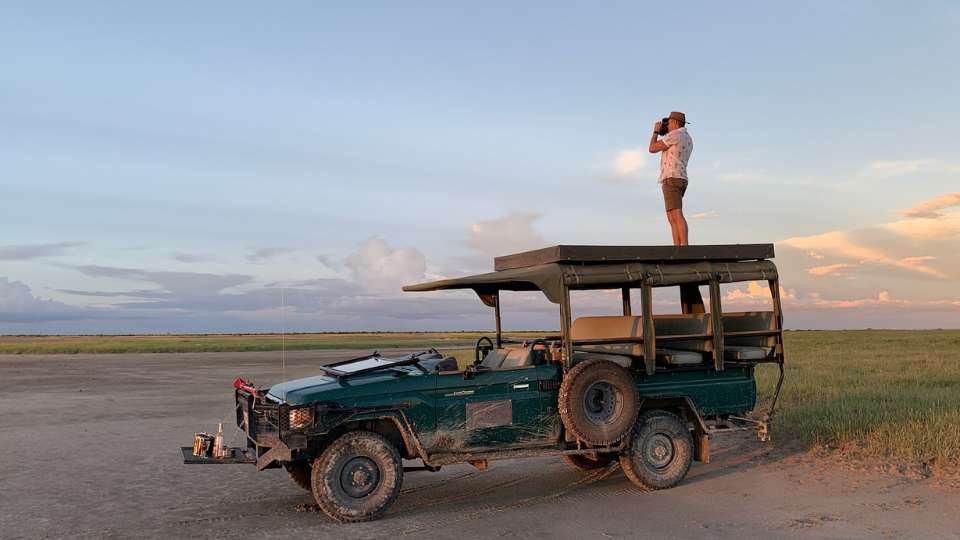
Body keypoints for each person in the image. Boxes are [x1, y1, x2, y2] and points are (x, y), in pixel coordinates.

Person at [649, 111, 694, 246]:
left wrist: (655, 132)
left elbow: (652, 148)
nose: (666, 126)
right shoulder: (687, 137)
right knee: (672, 215)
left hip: (672, 177)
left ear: (674, 122)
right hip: (680, 177)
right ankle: (677, 248)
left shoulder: (676, 134)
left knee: (676, 214)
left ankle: (683, 248)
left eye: (668, 123)